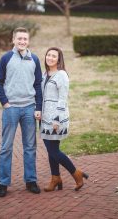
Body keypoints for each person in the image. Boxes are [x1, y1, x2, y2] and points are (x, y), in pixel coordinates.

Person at [0, 27, 42, 197]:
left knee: (30, 147)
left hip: (29, 108)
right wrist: (5, 102)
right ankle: (3, 183)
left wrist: (38, 107)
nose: (22, 41)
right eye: (19, 38)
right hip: (11, 109)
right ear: (13, 40)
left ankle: (31, 180)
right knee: (6, 147)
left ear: (28, 41)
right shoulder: (6, 58)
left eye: (25, 39)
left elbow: (38, 85)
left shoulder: (34, 59)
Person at [38, 47, 88, 192]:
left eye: (54, 56)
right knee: (51, 150)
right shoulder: (44, 74)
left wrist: (57, 120)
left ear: (59, 59)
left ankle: (76, 173)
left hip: (55, 119)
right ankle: (55, 178)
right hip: (45, 118)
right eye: (48, 55)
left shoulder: (62, 75)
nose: (50, 58)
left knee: (53, 151)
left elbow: (62, 99)